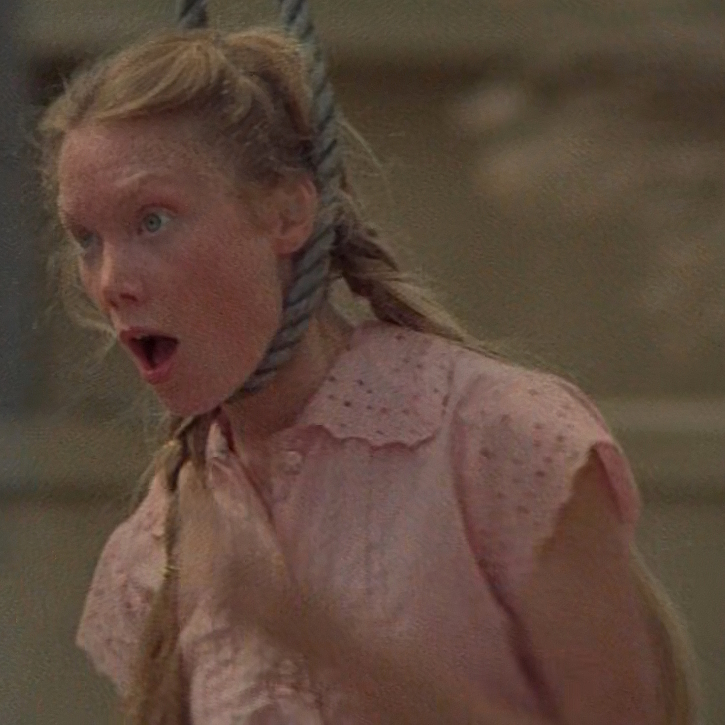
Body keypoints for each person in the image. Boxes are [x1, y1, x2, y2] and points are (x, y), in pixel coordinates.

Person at [38, 26, 698, 725]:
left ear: (288, 213)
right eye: (87, 239)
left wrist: (316, 635)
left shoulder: (497, 439)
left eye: (153, 221)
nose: (110, 281)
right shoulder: (157, 541)